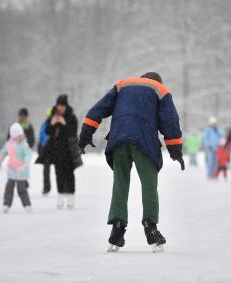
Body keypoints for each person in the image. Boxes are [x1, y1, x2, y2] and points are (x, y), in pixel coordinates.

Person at [78, 72, 184, 252]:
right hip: (144, 141)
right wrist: (176, 150)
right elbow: (171, 122)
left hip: (119, 139)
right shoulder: (160, 90)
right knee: (149, 185)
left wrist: (85, 135)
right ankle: (151, 228)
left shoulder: (122, 86)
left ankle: (117, 229)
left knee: (120, 183)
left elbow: (97, 110)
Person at [36, 95, 79, 209]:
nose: (60, 108)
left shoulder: (71, 117)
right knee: (58, 173)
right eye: (59, 106)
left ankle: (71, 196)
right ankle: (60, 195)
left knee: (69, 173)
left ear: (66, 106)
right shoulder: (53, 115)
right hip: (57, 150)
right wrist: (52, 123)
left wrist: (64, 123)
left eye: (62, 106)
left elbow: (73, 133)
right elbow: (47, 131)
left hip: (69, 150)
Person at [0, 123, 32, 213]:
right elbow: (3, 152)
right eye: (17, 136)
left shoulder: (24, 143)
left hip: (22, 170)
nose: (19, 137)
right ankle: (6, 204)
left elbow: (28, 153)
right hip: (12, 169)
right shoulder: (9, 144)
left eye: (20, 135)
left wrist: (27, 161)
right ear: (12, 136)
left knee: (21, 189)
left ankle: (27, 205)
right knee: (9, 186)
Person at [38, 108, 52, 195]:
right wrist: (40, 148)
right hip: (45, 149)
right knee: (46, 170)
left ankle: (63, 188)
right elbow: (41, 137)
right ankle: (46, 188)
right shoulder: (43, 125)